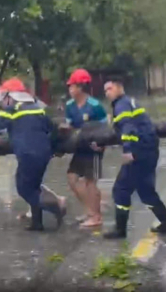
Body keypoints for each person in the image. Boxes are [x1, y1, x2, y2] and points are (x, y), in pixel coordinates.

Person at [0, 77, 65, 231]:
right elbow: (54, 129)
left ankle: (57, 206)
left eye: (4, 98)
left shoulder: (12, 110)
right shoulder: (37, 108)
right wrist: (54, 148)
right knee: (34, 186)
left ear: (10, 97)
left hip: (27, 153)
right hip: (43, 153)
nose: (2, 102)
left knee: (24, 188)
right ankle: (37, 223)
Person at [102, 77, 166, 239]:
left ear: (120, 87)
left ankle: (120, 230)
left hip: (138, 152)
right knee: (146, 191)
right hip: (149, 151)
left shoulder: (122, 105)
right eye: (105, 90)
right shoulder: (129, 102)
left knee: (121, 189)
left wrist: (128, 150)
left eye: (110, 88)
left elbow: (128, 128)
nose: (107, 93)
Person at [63, 69, 107, 227]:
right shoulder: (69, 106)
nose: (70, 90)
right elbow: (70, 125)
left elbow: (105, 128)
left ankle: (96, 217)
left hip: (94, 148)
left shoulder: (95, 106)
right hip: (79, 147)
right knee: (72, 178)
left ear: (81, 87)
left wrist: (101, 145)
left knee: (90, 182)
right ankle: (90, 210)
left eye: (72, 86)